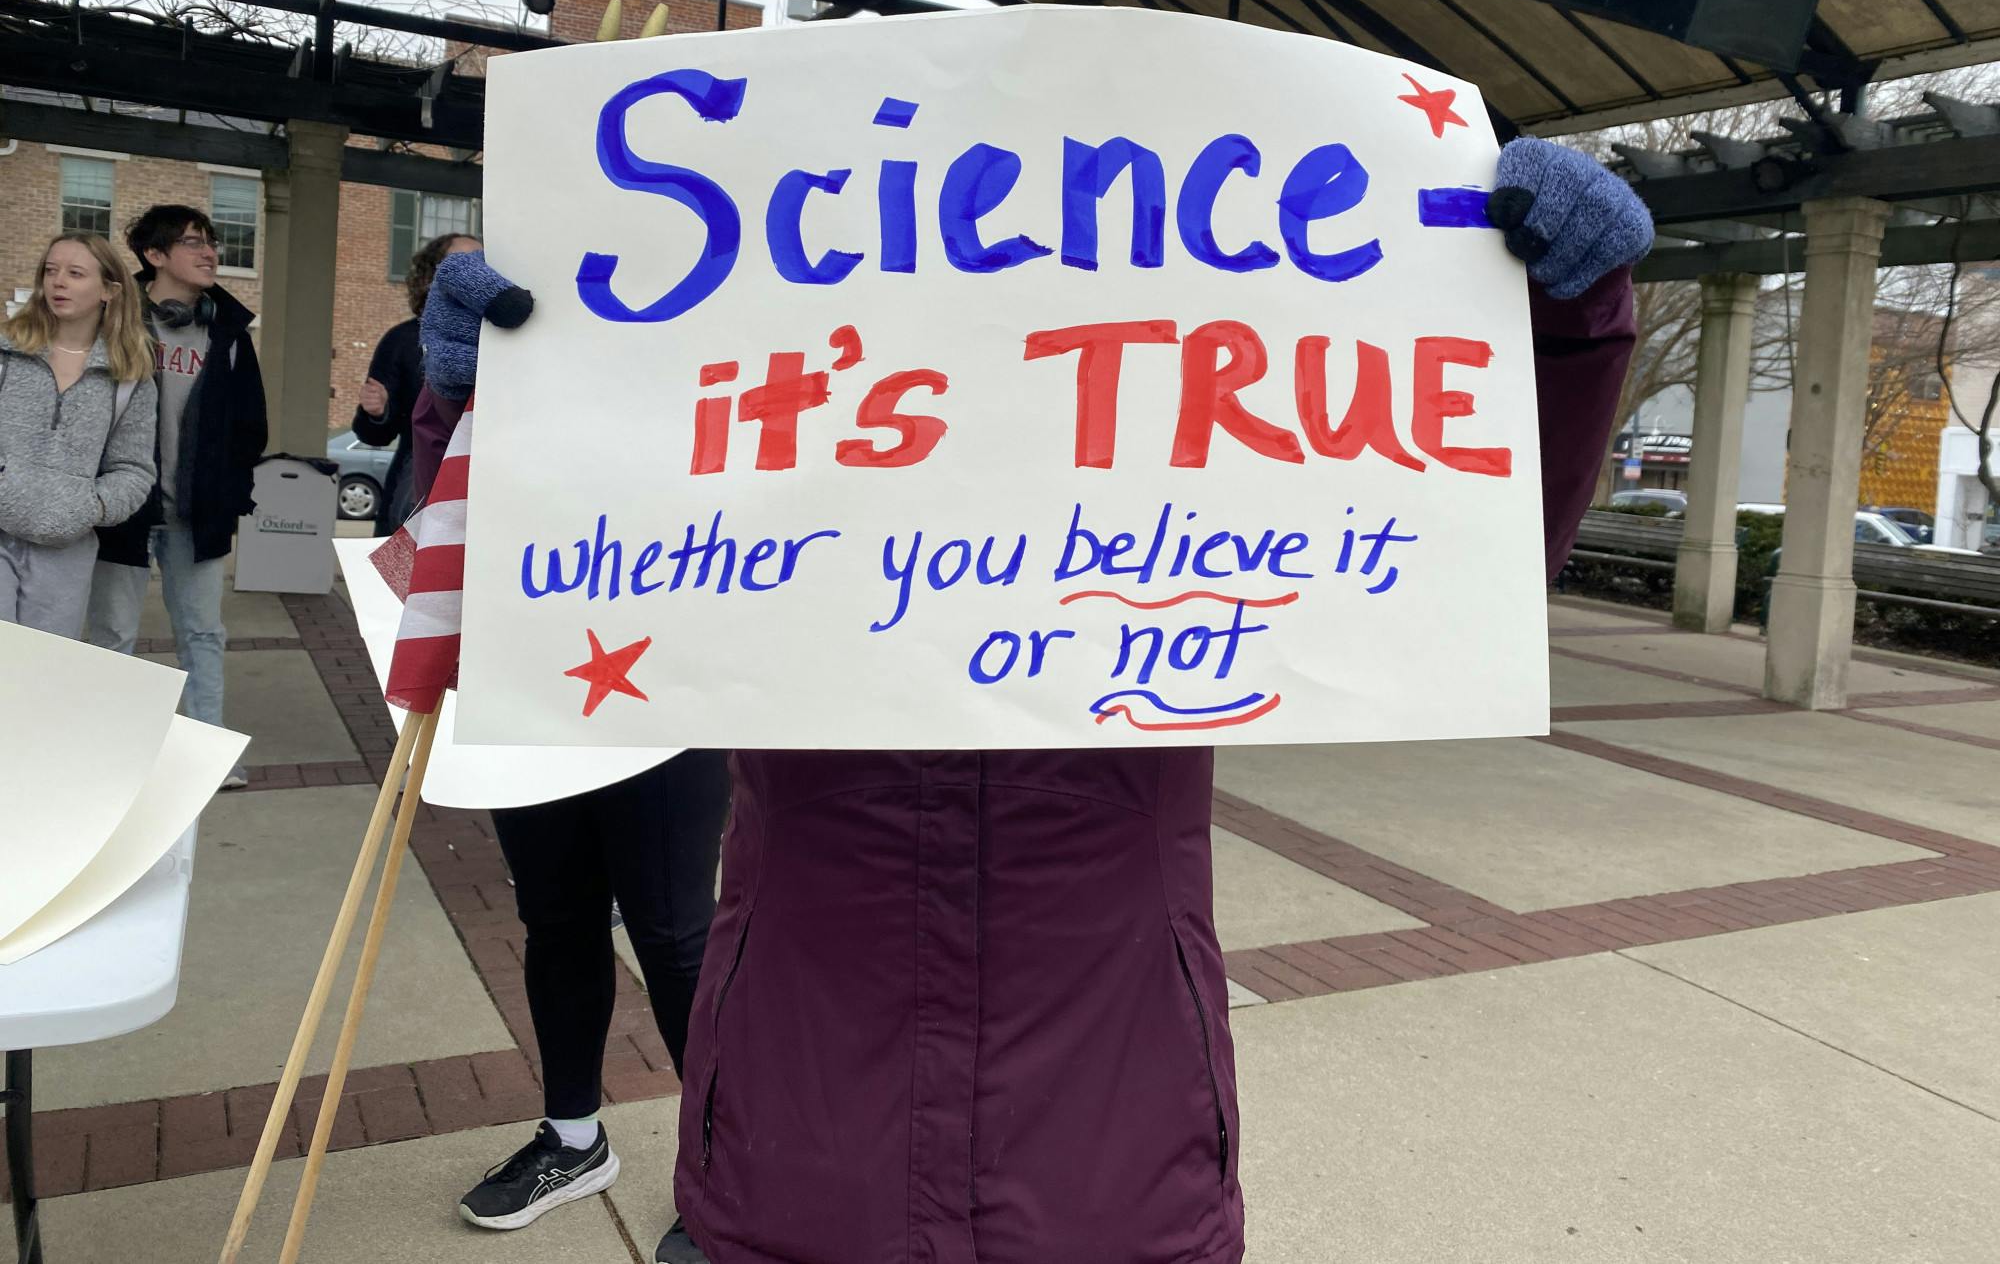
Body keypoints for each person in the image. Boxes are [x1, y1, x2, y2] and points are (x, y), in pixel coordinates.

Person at [421, 138, 1649, 1264]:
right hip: (797, 1157)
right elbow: (517, 590)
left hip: (1112, 1159)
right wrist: (483, 402)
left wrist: (1565, 332)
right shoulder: (770, 494)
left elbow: (1452, 557)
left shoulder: (1179, 497)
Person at [399, 250, 737, 1234]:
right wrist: (453, 385)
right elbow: (438, 497)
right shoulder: (503, 333)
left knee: (676, 935)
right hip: (529, 671)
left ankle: (727, 1163)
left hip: (663, 674)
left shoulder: (695, 334)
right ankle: (573, 1135)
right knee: (557, 919)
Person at [87, 205, 267, 784]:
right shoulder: (112, 322)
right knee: (112, 634)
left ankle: (207, 754)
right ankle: (115, 755)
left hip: (198, 513)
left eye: (211, 241)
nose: (210, 251)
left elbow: (249, 427)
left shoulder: (229, 334)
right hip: (123, 511)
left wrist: (229, 491)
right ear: (155, 256)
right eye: (193, 242)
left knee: (203, 633)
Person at [0, 234, 158, 638]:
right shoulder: (6, 354)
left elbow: (133, 469)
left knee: (40, 682)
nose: (58, 283)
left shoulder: (130, 376)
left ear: (109, 290)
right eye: (50, 271)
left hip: (66, 552)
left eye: (74, 273)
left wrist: (91, 506)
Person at [349, 233, 466, 537]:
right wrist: (377, 412)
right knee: (405, 578)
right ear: (432, 277)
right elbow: (374, 434)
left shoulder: (505, 340)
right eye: (463, 262)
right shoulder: (402, 340)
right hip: (418, 482)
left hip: (486, 481)